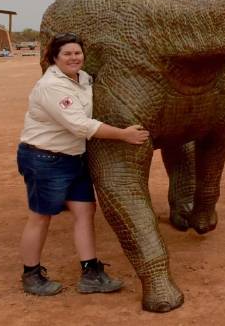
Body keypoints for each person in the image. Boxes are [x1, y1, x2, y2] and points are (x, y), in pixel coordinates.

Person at [17, 33, 149, 296]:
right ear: (54, 58)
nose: (74, 58)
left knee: (85, 211)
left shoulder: (83, 78)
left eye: (77, 53)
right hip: (44, 158)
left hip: (73, 158)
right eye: (67, 53)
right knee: (41, 217)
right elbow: (80, 125)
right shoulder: (52, 86)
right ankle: (30, 274)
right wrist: (124, 135)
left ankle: (90, 272)